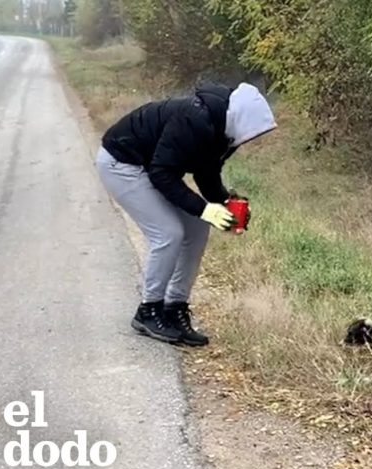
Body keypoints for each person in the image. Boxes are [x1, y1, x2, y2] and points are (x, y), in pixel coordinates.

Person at [95, 82, 277, 347]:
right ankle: (149, 309)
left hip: (149, 166)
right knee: (168, 233)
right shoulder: (194, 120)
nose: (249, 139)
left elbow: (206, 171)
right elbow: (162, 173)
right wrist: (204, 209)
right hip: (121, 163)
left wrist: (224, 201)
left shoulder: (222, 129)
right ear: (239, 119)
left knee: (198, 229)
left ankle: (174, 306)